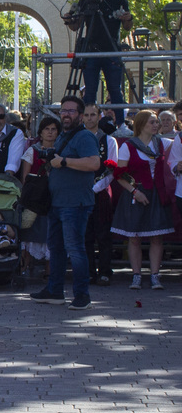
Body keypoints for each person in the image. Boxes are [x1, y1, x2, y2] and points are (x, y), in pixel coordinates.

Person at [30, 96, 101, 309]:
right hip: (57, 203)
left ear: (80, 115)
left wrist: (65, 161)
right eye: (63, 111)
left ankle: (82, 295)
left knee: (76, 249)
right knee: (56, 249)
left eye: (70, 111)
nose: (66, 115)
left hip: (75, 204)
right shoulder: (63, 136)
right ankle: (55, 291)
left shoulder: (85, 136)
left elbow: (94, 163)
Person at [111, 110, 173, 290]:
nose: (156, 125)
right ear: (141, 124)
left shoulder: (161, 143)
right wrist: (134, 191)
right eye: (152, 122)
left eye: (157, 122)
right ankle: (136, 275)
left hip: (156, 193)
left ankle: (155, 275)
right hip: (136, 193)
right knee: (135, 237)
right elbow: (119, 174)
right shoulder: (128, 146)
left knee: (156, 237)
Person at [63, 0, 133, 124]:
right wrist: (69, 20)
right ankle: (88, 123)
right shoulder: (85, 0)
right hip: (91, 51)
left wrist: (128, 18)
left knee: (115, 90)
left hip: (111, 50)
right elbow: (76, 27)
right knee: (89, 92)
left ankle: (120, 124)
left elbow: (127, 26)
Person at [18, 116, 60, 276]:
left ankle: (51, 274)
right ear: (41, 132)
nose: (50, 133)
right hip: (35, 200)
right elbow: (25, 177)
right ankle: (24, 270)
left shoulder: (61, 151)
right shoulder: (32, 150)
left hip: (55, 198)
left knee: (52, 235)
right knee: (30, 235)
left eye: (53, 129)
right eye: (46, 129)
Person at [82, 105, 118, 287]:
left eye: (93, 115)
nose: (89, 118)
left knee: (103, 235)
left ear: (99, 116)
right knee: (85, 235)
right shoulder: (77, 139)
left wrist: (95, 188)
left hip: (101, 193)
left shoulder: (109, 141)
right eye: (86, 115)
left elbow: (112, 169)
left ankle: (105, 272)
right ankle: (88, 273)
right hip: (80, 193)